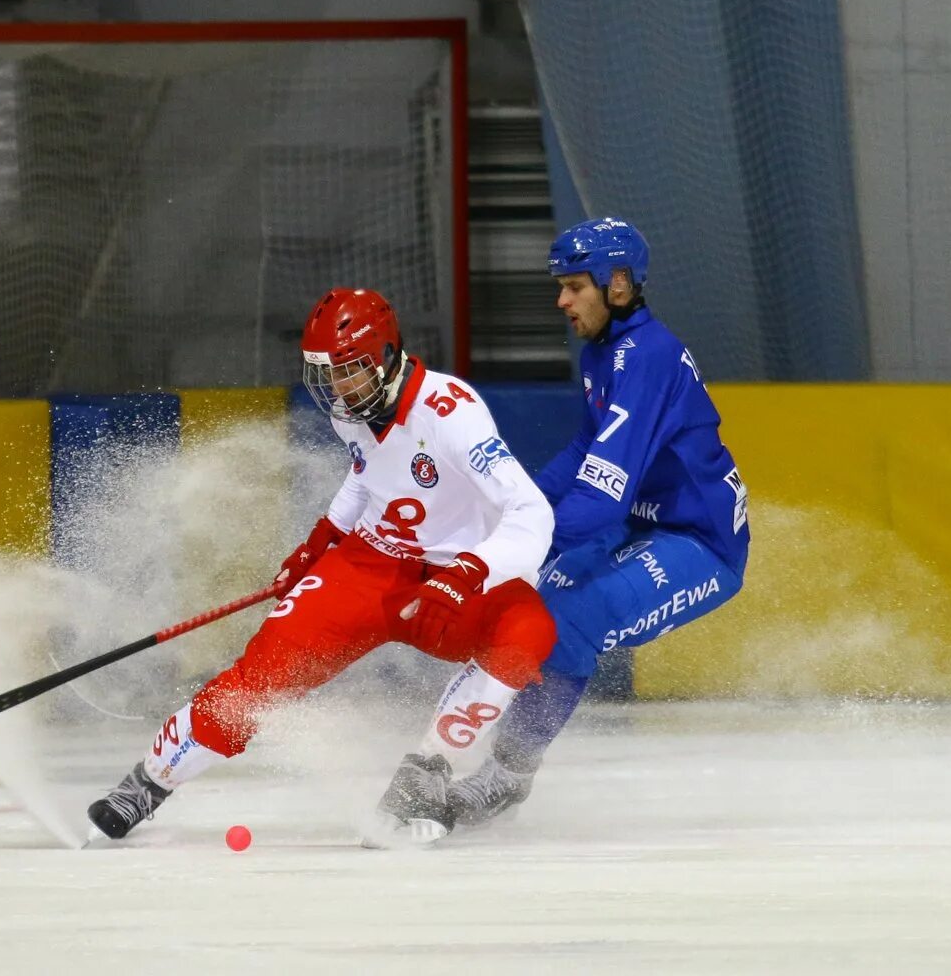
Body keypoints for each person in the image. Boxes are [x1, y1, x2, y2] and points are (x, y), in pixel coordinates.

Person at [87, 288, 556, 848]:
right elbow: (368, 473)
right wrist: (323, 538)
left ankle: (425, 774)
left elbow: (532, 511)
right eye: (326, 373)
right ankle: (152, 780)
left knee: (528, 630)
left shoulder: (451, 413)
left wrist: (467, 572)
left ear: (384, 357)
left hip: (453, 580)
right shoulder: (355, 409)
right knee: (263, 675)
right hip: (369, 566)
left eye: (348, 371)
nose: (336, 387)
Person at [446, 217, 751, 826]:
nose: (561, 300)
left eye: (574, 286)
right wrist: (517, 511)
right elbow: (582, 454)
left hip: (699, 544)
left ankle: (507, 777)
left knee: (567, 622)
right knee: (529, 596)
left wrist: (516, 544)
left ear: (618, 284)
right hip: (643, 525)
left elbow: (602, 498)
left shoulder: (648, 359)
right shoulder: (604, 354)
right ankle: (477, 745)